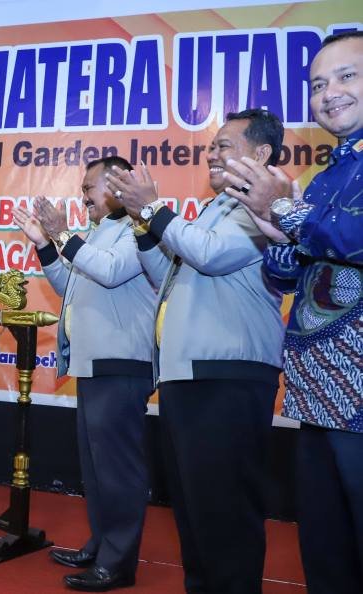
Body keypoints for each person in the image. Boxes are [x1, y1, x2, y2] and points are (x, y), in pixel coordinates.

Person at [107, 108, 286, 594]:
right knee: (196, 511)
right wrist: (143, 223)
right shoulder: (214, 208)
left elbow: (210, 255)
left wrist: (153, 209)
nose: (211, 154)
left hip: (228, 374)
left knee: (225, 512)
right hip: (188, 374)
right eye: (212, 146)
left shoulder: (265, 203)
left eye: (224, 145)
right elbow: (164, 274)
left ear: (261, 154)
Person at [223, 31, 363, 594]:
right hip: (315, 392)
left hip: (359, 396)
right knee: (326, 547)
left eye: (346, 76)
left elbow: (352, 241)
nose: (329, 93)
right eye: (317, 84)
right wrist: (272, 228)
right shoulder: (328, 175)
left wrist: (283, 209)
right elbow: (285, 275)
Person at [13, 156, 156, 592]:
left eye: (89, 188)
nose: (83, 197)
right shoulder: (97, 232)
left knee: (118, 470)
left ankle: (118, 563)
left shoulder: (137, 226)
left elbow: (110, 272)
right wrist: (44, 244)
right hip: (93, 363)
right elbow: (68, 286)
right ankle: (101, 545)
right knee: (96, 469)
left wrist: (62, 234)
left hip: (122, 362)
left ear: (114, 186)